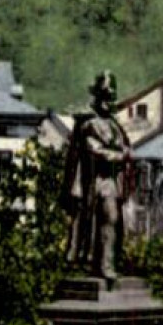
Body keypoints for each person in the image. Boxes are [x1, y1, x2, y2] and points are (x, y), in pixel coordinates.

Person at [62, 72, 133, 282]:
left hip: (111, 180)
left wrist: (123, 153)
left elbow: (124, 146)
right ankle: (103, 266)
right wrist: (121, 155)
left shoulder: (113, 124)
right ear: (97, 97)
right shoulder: (89, 124)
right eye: (105, 95)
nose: (108, 100)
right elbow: (96, 151)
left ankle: (106, 263)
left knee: (113, 222)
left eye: (111, 96)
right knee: (107, 218)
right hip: (95, 179)